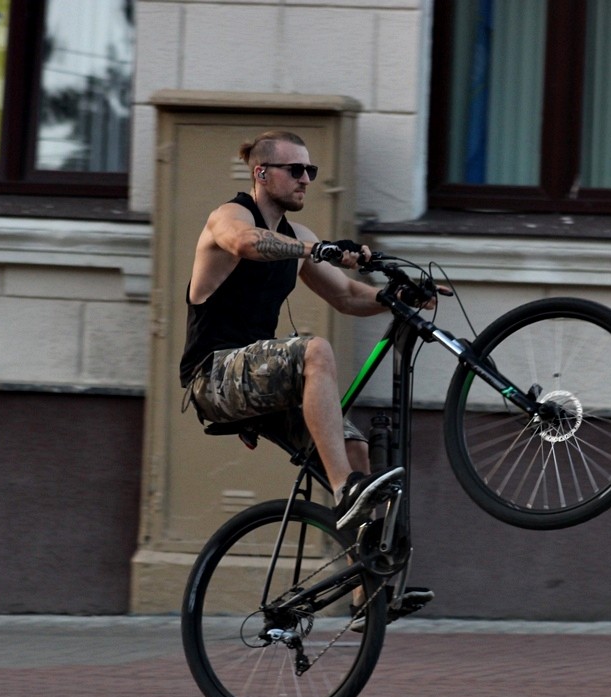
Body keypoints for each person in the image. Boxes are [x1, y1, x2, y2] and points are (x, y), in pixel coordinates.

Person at [179, 130, 433, 623]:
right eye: (295, 170)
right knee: (314, 350)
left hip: (261, 378)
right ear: (261, 173)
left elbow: (348, 296)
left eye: (311, 171)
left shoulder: (298, 239)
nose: (306, 180)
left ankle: (367, 594)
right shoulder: (229, 216)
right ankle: (343, 489)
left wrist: (398, 296)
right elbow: (246, 243)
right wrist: (318, 251)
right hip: (214, 375)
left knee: (357, 451)